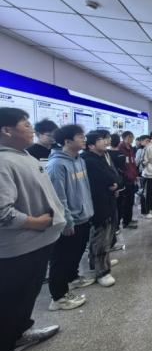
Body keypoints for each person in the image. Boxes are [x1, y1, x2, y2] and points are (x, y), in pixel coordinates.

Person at [0, 108, 65, 351]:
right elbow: (2, 212)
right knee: (10, 301)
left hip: (38, 242)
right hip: (18, 247)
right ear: (7, 130)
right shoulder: (2, 162)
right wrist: (36, 222)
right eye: (26, 125)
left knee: (27, 296)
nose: (32, 130)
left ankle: (20, 333)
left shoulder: (23, 155)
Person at [47, 124, 94, 311]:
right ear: (67, 141)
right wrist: (67, 221)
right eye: (80, 136)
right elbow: (58, 197)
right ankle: (58, 297)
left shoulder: (79, 160)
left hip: (83, 216)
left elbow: (85, 189)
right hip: (69, 220)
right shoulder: (57, 165)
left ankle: (72, 278)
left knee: (76, 253)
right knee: (62, 258)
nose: (84, 139)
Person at [81, 131, 120, 287]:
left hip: (108, 201)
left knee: (106, 236)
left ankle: (101, 263)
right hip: (98, 204)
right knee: (100, 238)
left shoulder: (102, 157)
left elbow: (115, 177)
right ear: (91, 145)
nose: (105, 141)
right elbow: (108, 178)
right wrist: (113, 183)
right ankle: (101, 272)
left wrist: (116, 184)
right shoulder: (88, 160)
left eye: (105, 138)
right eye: (100, 139)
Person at [117, 131, 138, 230]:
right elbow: (122, 166)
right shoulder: (120, 148)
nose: (132, 139)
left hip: (132, 178)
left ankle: (129, 219)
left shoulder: (130, 148)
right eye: (130, 137)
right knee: (126, 202)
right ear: (124, 137)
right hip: (125, 179)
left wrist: (135, 175)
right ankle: (125, 222)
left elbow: (132, 163)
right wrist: (127, 175)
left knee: (130, 201)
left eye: (132, 137)